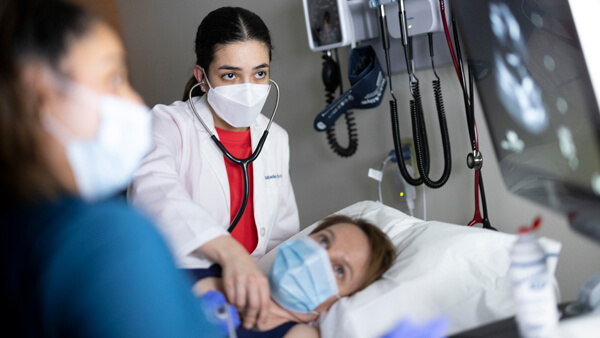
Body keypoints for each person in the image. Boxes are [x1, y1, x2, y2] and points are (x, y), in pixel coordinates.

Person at [0, 1, 219, 336]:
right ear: (38, 92)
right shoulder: (108, 239)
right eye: (113, 78)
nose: (135, 103)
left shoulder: (23, 229)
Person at [128, 6, 300, 329]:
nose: (248, 88)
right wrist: (229, 254)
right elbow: (155, 194)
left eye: (259, 73)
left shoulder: (275, 139)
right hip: (186, 277)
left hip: (252, 285)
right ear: (202, 79)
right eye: (230, 75)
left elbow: (281, 236)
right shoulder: (168, 124)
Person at [192, 215, 398, 337]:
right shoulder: (213, 269)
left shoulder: (300, 335)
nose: (317, 257)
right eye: (324, 241)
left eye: (340, 270)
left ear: (341, 300)